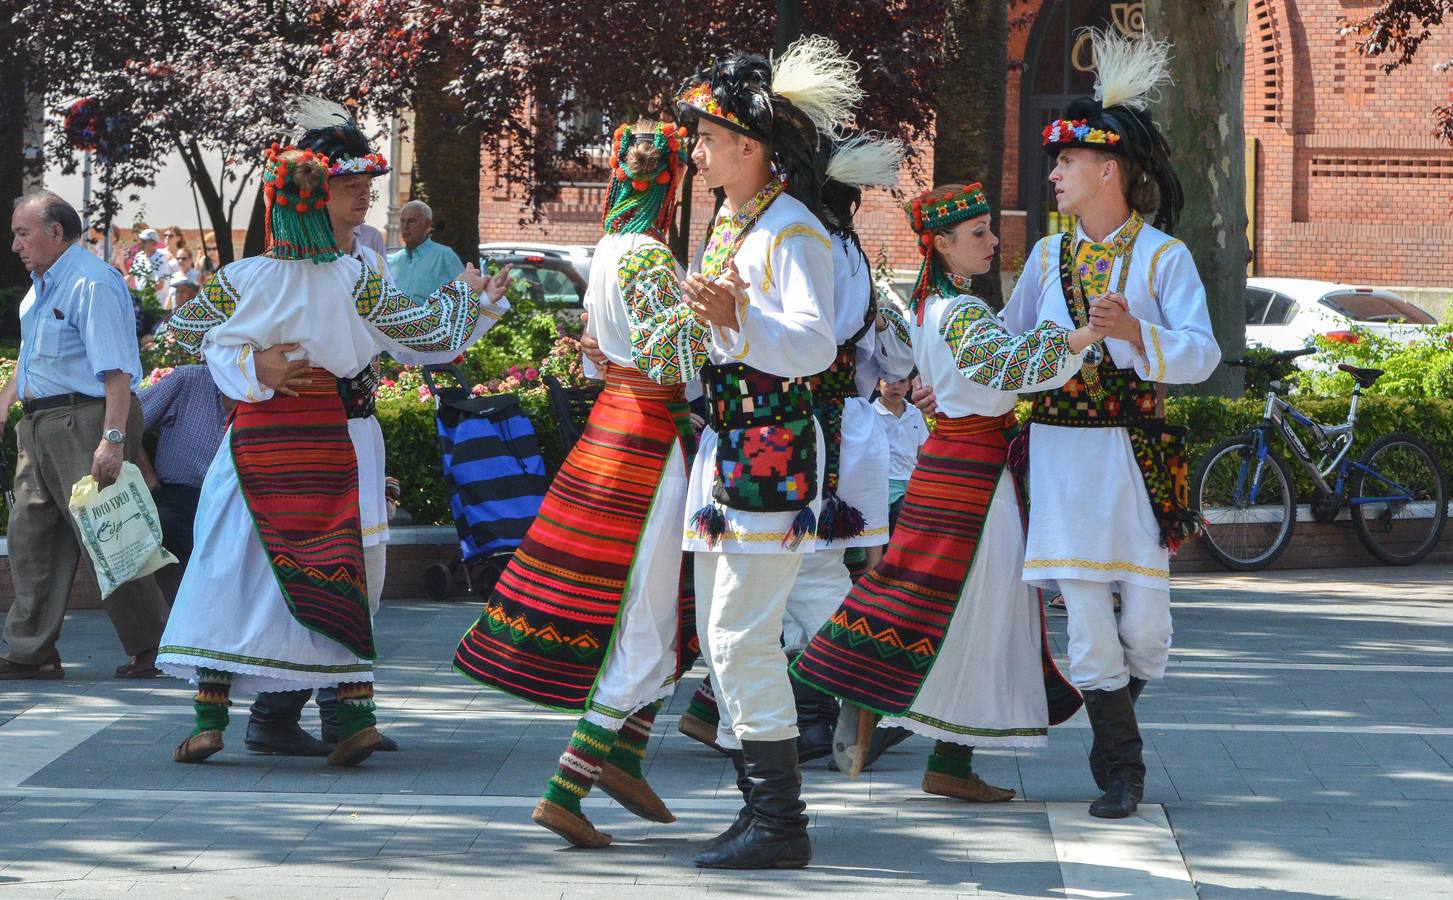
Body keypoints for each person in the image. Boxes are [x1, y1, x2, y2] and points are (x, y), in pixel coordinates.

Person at [157, 143, 512, 768]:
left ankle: (210, 718)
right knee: (340, 570)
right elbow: (428, 333)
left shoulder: (243, 279)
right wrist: (472, 299)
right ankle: (352, 715)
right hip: (330, 443)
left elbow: (180, 335)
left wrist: (248, 363)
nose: (364, 195)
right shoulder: (354, 280)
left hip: (256, 445)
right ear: (316, 203)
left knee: (229, 571)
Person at [793, 181, 1097, 804]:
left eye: (990, 229)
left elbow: (962, 372)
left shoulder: (931, 307)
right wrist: (1082, 337)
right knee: (980, 610)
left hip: (951, 466)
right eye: (978, 234)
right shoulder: (959, 311)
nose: (992, 241)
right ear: (941, 244)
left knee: (948, 606)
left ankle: (941, 754)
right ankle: (887, 709)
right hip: (975, 477)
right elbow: (1006, 368)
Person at [453, 118, 699, 849]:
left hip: (612, 429)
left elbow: (599, 358)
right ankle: (570, 784)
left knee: (650, 605)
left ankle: (624, 757)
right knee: (647, 613)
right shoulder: (650, 255)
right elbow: (672, 355)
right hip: (648, 441)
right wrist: (727, 321)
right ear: (672, 186)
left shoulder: (609, 250)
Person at [1000, 30, 1219, 819]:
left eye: (1065, 162)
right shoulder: (1041, 260)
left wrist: (1135, 337)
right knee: (1086, 615)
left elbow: (1200, 354)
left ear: (1107, 170)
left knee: (1149, 630)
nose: (1052, 173)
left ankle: (1112, 715)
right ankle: (1119, 768)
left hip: (1133, 455)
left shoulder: (1163, 258)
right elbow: (1011, 343)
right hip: (1061, 452)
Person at [673, 37, 859, 870]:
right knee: (725, 642)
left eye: (709, 137)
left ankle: (780, 822)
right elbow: (728, 336)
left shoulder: (792, 230)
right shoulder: (735, 218)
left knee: (741, 637)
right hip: (731, 445)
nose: (698, 149)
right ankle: (766, 813)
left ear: (750, 147)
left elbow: (816, 346)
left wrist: (732, 321)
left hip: (774, 448)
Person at [0, 191, 170, 680]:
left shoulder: (92, 283)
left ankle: (153, 646)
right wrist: (7, 402)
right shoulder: (41, 288)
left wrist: (113, 439)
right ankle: (31, 651)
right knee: (31, 537)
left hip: (87, 419)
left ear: (55, 233)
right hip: (40, 424)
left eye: (22, 233)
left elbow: (117, 371)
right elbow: (34, 358)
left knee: (108, 533)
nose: (15, 245)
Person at [136, 364, 231, 602]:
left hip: (232, 499)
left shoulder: (266, 390)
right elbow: (127, 422)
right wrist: (148, 476)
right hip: (181, 495)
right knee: (164, 525)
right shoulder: (190, 379)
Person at [873, 372, 928, 532]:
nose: (895, 386)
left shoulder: (915, 413)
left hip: (911, 481)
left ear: (909, 385)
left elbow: (923, 450)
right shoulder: (870, 413)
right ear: (877, 384)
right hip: (883, 480)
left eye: (901, 381)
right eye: (889, 381)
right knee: (881, 529)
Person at [388, 200, 466, 302]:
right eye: (402, 221)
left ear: (427, 224)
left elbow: (463, 295)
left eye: (411, 221)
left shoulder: (444, 256)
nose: (405, 227)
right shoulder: (395, 260)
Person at [128, 228, 173, 306]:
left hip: (156, 305)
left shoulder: (160, 259)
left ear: (154, 243)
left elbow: (160, 285)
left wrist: (142, 295)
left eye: (144, 241)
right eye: (140, 240)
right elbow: (131, 275)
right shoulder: (139, 256)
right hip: (142, 302)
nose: (140, 243)